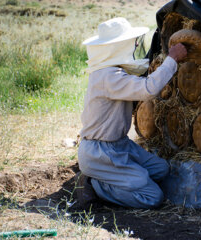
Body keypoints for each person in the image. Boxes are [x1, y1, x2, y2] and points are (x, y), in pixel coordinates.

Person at [76, 17, 187, 209]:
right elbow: (148, 89)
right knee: (152, 197)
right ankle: (96, 185)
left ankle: (115, 177)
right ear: (118, 46)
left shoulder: (110, 72)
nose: (135, 45)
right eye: (132, 42)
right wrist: (172, 59)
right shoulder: (108, 77)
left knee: (160, 170)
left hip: (119, 145)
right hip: (101, 152)